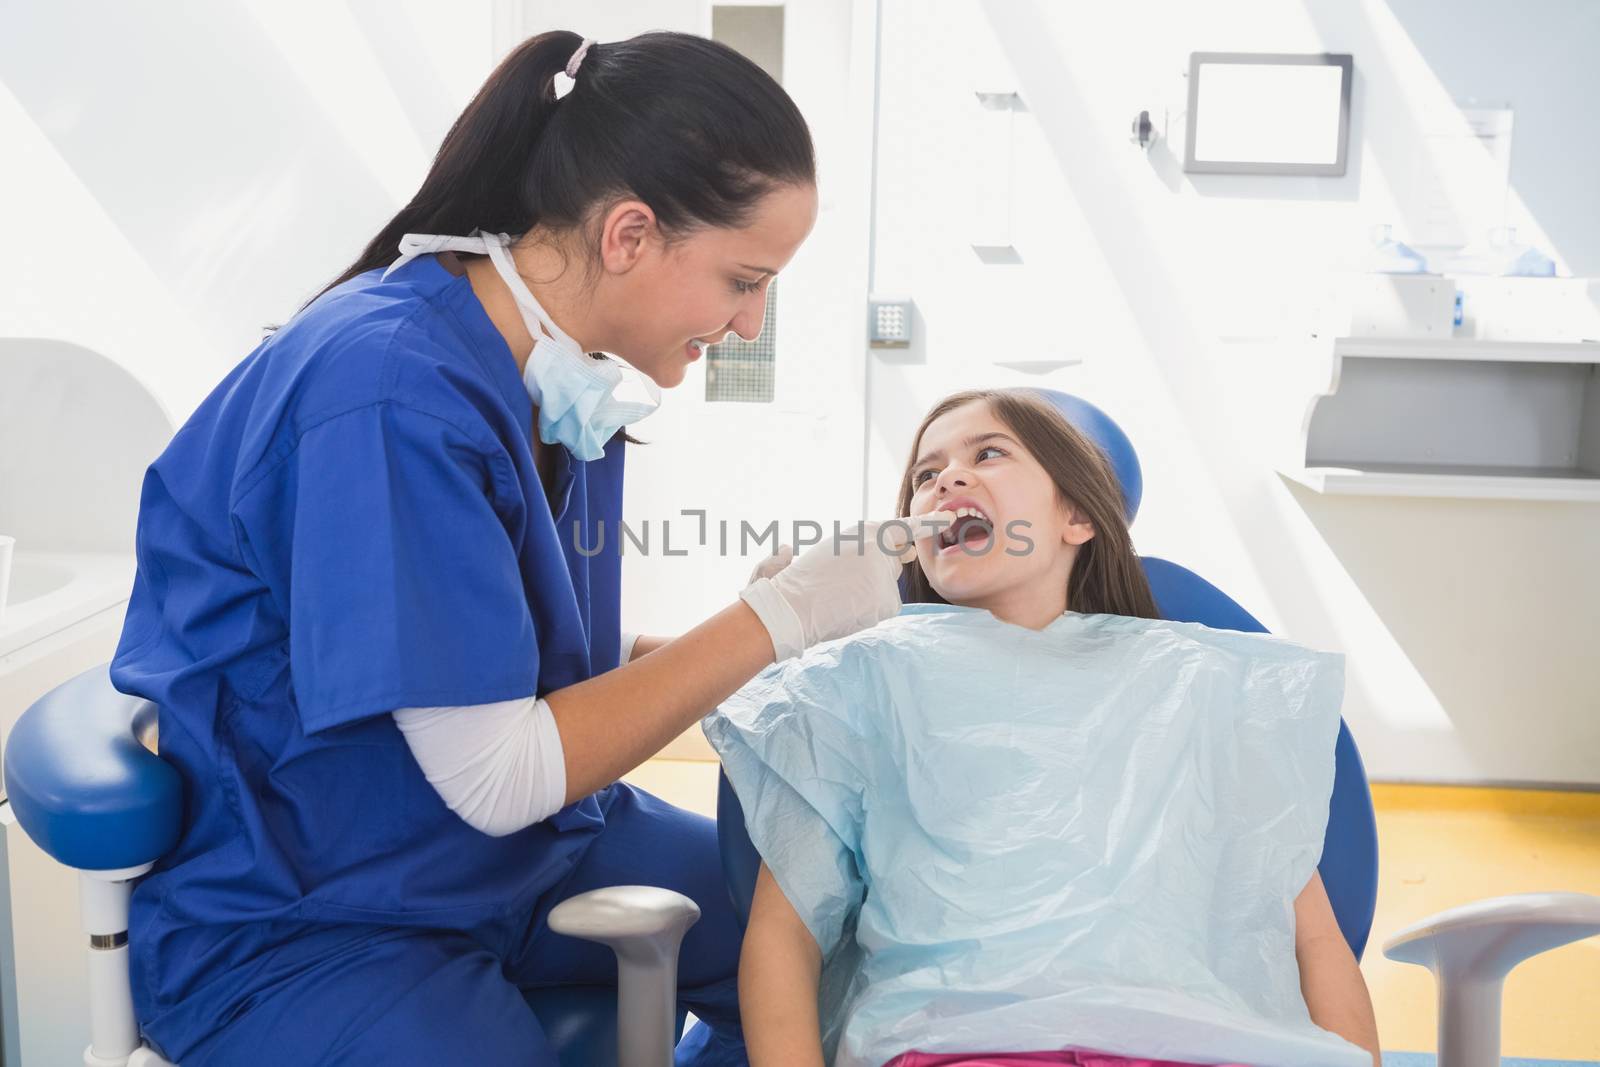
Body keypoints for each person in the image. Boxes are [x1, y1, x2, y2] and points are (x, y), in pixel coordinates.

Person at [109, 30, 906, 1065]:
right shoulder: (387, 393)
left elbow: (521, 665)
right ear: (628, 233)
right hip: (319, 911)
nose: (750, 323)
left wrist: (774, 647)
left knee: (842, 928)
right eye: (743, 279)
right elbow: (495, 770)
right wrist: (772, 620)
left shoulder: (557, 384)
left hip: (519, 848)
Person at [706, 390, 1384, 1067]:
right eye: (924, 473)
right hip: (960, 1047)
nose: (946, 478)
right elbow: (784, 937)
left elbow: (1311, 936)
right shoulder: (860, 677)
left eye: (989, 453)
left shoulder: (1199, 681)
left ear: (1077, 515)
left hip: (1194, 1045)